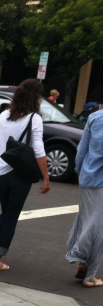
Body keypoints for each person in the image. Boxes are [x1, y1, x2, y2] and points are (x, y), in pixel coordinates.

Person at [0, 79, 51, 272]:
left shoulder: (3, 116)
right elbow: (38, 149)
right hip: (20, 174)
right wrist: (46, 176)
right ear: (36, 98)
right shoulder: (34, 118)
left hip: (0, 172)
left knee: (7, 211)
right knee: (11, 216)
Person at [66, 108, 103, 288]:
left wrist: (79, 169)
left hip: (89, 176)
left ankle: (83, 261)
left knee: (87, 219)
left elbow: (82, 148)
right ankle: (90, 274)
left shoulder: (95, 117)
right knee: (98, 226)